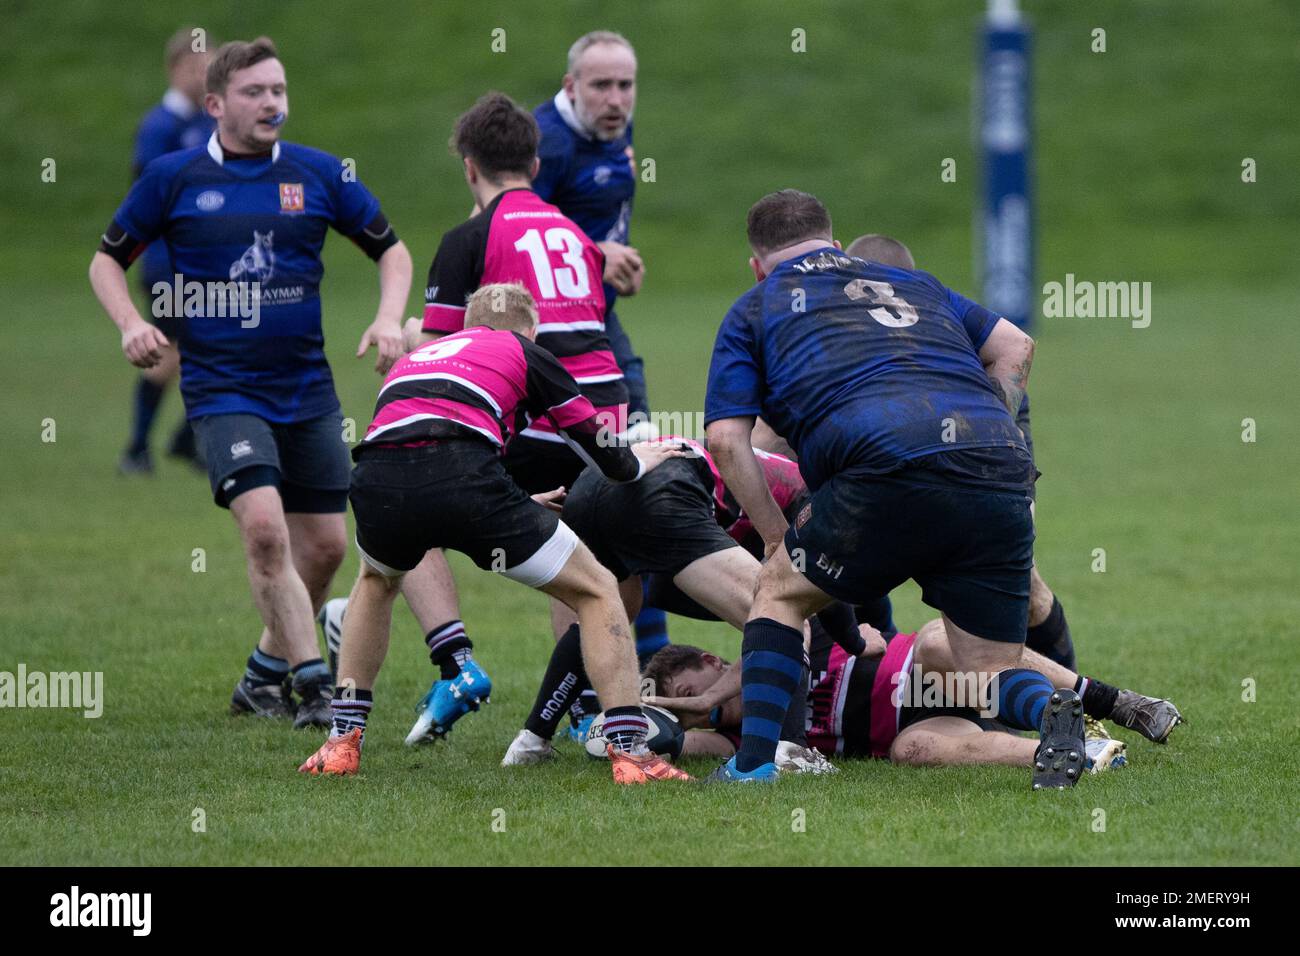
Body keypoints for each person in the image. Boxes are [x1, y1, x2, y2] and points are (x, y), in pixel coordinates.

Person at [702, 189, 1083, 789]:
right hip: (997, 462)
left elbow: (727, 441)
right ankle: (1049, 711)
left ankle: (753, 766)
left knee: (779, 590)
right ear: (833, 241)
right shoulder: (917, 283)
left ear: (757, 264)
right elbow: (1016, 345)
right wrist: (986, 430)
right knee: (984, 665)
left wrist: (778, 537)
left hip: (882, 467)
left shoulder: (756, 306)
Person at [89, 37, 411, 727]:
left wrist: (389, 320)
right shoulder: (172, 178)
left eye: (279, 91)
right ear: (215, 104)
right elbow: (105, 261)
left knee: (324, 546)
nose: (273, 104)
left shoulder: (319, 174)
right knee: (266, 531)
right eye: (255, 92)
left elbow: (392, 250)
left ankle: (262, 675)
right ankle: (313, 686)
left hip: (307, 388)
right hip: (222, 387)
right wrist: (128, 324)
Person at [296, 283, 690, 785]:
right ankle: (632, 754)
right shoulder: (524, 349)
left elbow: (418, 454)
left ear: (465, 327)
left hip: (376, 478)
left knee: (375, 583)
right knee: (597, 589)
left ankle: (341, 742)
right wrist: (636, 464)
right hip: (465, 475)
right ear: (533, 329)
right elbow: (593, 439)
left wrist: (514, 502)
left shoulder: (420, 357)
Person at [501, 437, 863, 770]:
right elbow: (826, 586)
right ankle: (790, 749)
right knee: (786, 618)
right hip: (662, 491)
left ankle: (531, 741)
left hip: (593, 484)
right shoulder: (813, 496)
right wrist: (855, 644)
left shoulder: (772, 471)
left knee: (604, 614)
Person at [844, 233, 1076, 672]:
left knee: (1017, 583)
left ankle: (1076, 707)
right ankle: (870, 670)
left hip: (987, 438)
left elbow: (1016, 349)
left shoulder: (949, 324)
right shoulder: (837, 342)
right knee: (847, 548)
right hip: (892, 462)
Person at [533, 31, 672, 668]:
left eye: (626, 85)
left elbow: (600, 221)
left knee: (640, 477)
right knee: (608, 489)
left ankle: (648, 658)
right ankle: (609, 674)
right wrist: (596, 255)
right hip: (554, 346)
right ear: (570, 87)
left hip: (603, 330)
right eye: (601, 86)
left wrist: (616, 262)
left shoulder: (616, 133)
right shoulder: (546, 147)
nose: (616, 99)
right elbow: (519, 236)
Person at [641, 618, 1182, 769]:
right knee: (911, 753)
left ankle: (1114, 704)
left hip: (937, 673)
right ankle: (1075, 752)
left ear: (714, 661)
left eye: (695, 691)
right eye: (691, 709)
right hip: (912, 727)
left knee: (933, 641)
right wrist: (652, 717)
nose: (704, 708)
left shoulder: (778, 640)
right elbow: (676, 745)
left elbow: (814, 612)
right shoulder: (747, 739)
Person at [118, 28, 215, 476]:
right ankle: (144, 446)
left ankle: (177, 439)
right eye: (196, 67)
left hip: (206, 262)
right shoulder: (160, 125)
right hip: (167, 262)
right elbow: (148, 195)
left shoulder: (210, 121)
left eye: (209, 67)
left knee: (201, 349)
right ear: (174, 69)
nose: (203, 75)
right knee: (173, 352)